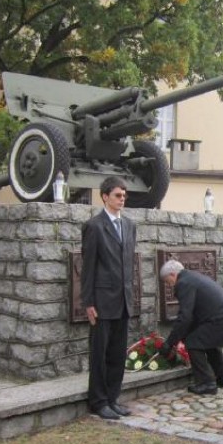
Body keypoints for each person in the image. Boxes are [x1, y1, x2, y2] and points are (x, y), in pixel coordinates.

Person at [80, 176, 137, 420]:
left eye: (124, 195)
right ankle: (98, 401)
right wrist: (88, 302)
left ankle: (112, 398)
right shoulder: (94, 226)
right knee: (100, 354)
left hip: (123, 300)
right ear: (104, 196)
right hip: (102, 301)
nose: (122, 199)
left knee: (117, 353)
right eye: (117, 195)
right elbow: (88, 266)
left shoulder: (130, 226)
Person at [158, 260, 223, 395]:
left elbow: (185, 316)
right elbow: (192, 315)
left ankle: (207, 383)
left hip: (219, 318)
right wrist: (179, 336)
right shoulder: (192, 277)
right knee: (207, 341)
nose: (168, 284)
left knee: (193, 342)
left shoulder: (184, 283)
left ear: (172, 274)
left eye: (167, 280)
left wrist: (169, 343)